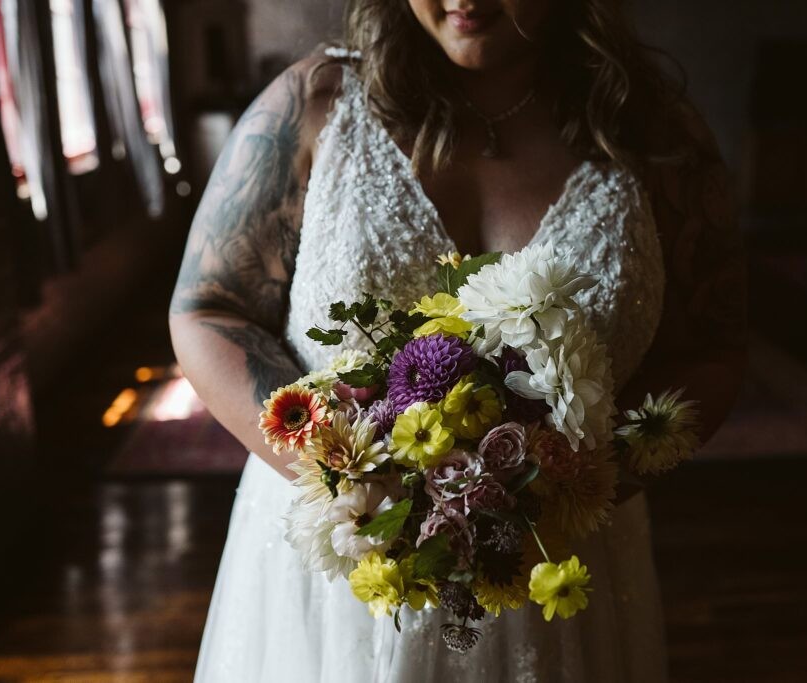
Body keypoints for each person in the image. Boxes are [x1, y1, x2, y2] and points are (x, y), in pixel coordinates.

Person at [169, 1, 747, 680]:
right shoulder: (316, 103)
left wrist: (564, 490)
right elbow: (208, 308)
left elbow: (715, 347)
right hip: (338, 584)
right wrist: (347, 474)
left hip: (554, 579)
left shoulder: (652, 129)